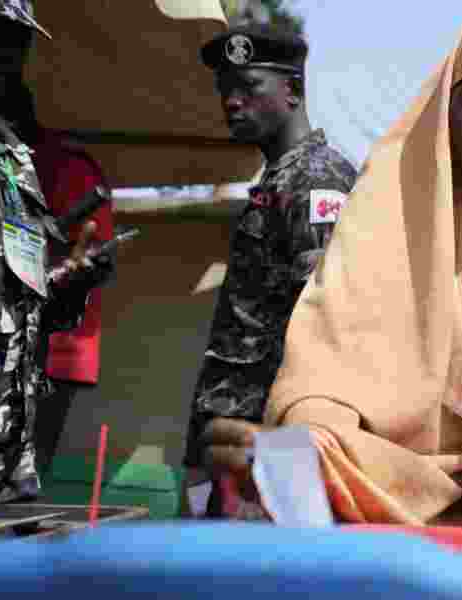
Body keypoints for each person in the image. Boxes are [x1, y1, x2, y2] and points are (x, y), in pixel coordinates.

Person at [203, 10, 462, 530]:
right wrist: (309, 445)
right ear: (446, 95)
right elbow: (321, 375)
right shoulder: (379, 208)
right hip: (366, 495)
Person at [184, 24, 358, 516]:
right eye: (225, 91)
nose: (232, 103)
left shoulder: (316, 180)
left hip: (267, 446)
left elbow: (325, 322)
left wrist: (285, 444)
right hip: (230, 436)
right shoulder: (281, 178)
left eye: (248, 87)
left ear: (294, 90)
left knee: (253, 585)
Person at [0, 0, 113, 504]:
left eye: (14, 44)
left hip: (7, 430)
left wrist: (70, 284)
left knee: (1, 569)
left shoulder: (13, 156)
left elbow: (20, 293)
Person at [8, 84, 116, 479]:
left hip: (48, 353)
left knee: (14, 487)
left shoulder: (66, 166)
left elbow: (95, 260)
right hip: (1, 347)